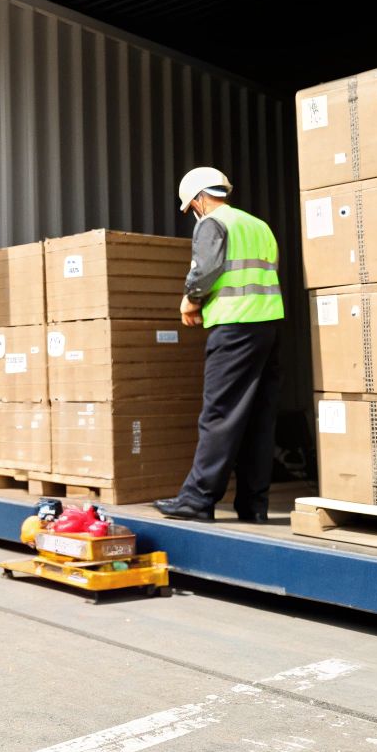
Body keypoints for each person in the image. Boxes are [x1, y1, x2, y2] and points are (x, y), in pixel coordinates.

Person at [154, 167, 284, 523]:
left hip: (234, 325)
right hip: (267, 325)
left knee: (219, 413)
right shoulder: (259, 225)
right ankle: (254, 505)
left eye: (191, 206)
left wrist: (190, 300)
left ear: (198, 199)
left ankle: (197, 500)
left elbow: (206, 269)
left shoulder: (212, 223)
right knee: (258, 416)